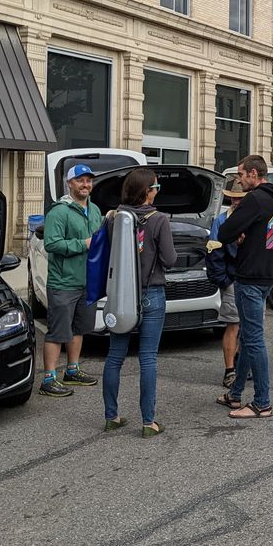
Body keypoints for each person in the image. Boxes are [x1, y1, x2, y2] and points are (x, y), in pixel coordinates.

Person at [101, 168, 176, 437]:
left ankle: (111, 416)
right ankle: (148, 422)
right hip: (151, 293)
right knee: (147, 358)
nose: (157, 192)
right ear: (147, 191)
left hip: (121, 294)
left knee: (115, 356)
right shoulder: (159, 220)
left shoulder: (113, 218)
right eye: (156, 187)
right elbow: (169, 259)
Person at [216, 154, 273, 419]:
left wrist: (240, 234)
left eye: (242, 175)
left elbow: (224, 231)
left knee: (254, 339)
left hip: (250, 277)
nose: (239, 180)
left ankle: (262, 402)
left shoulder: (255, 199)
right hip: (269, 273)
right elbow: (272, 237)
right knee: (247, 336)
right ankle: (235, 394)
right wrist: (249, 234)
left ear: (254, 175)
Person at [39, 164, 104, 397]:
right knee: (58, 332)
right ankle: (48, 379)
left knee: (79, 328)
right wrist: (83, 244)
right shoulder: (59, 212)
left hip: (87, 281)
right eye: (80, 180)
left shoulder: (95, 210)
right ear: (70, 183)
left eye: (88, 180)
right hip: (63, 282)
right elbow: (52, 244)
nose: (85, 184)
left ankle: (72, 370)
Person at [207, 189, 243, 388]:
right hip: (232, 279)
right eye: (233, 197)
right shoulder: (221, 220)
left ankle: (241, 365)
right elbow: (214, 251)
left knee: (249, 327)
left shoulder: (253, 217)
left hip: (250, 279)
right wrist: (225, 281)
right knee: (233, 325)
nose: (236, 201)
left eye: (240, 197)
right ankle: (229, 370)